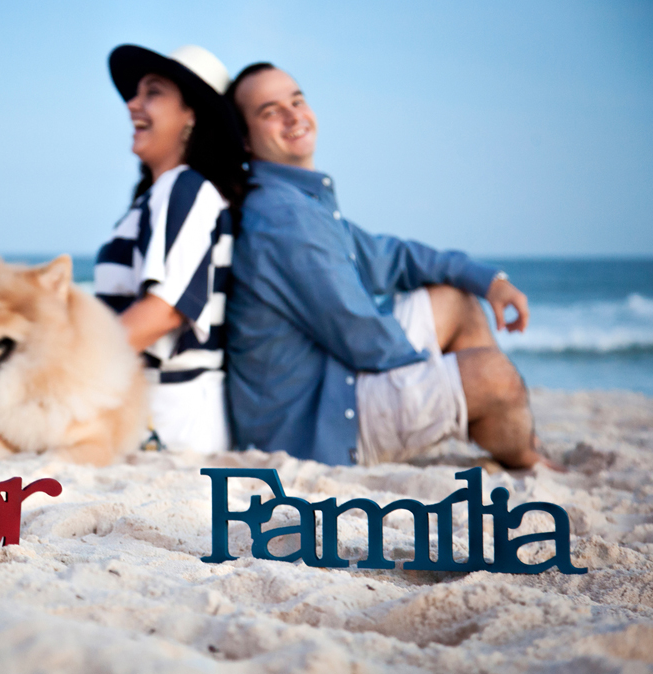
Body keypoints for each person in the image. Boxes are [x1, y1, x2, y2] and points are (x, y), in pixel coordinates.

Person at [225, 62, 556, 470]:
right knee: (495, 377)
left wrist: (490, 281)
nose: (294, 116)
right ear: (245, 139)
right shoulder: (283, 215)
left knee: (456, 299)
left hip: (332, 373)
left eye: (297, 101)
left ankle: (507, 432)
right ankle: (522, 454)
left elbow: (391, 257)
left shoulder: (300, 200)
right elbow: (360, 335)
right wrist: (443, 376)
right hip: (314, 425)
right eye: (271, 111)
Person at [95, 45, 247, 453]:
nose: (132, 104)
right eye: (136, 93)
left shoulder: (187, 188)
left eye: (153, 92)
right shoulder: (163, 193)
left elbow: (162, 312)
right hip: (154, 413)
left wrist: (60, 372)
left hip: (168, 422)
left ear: (191, 114)